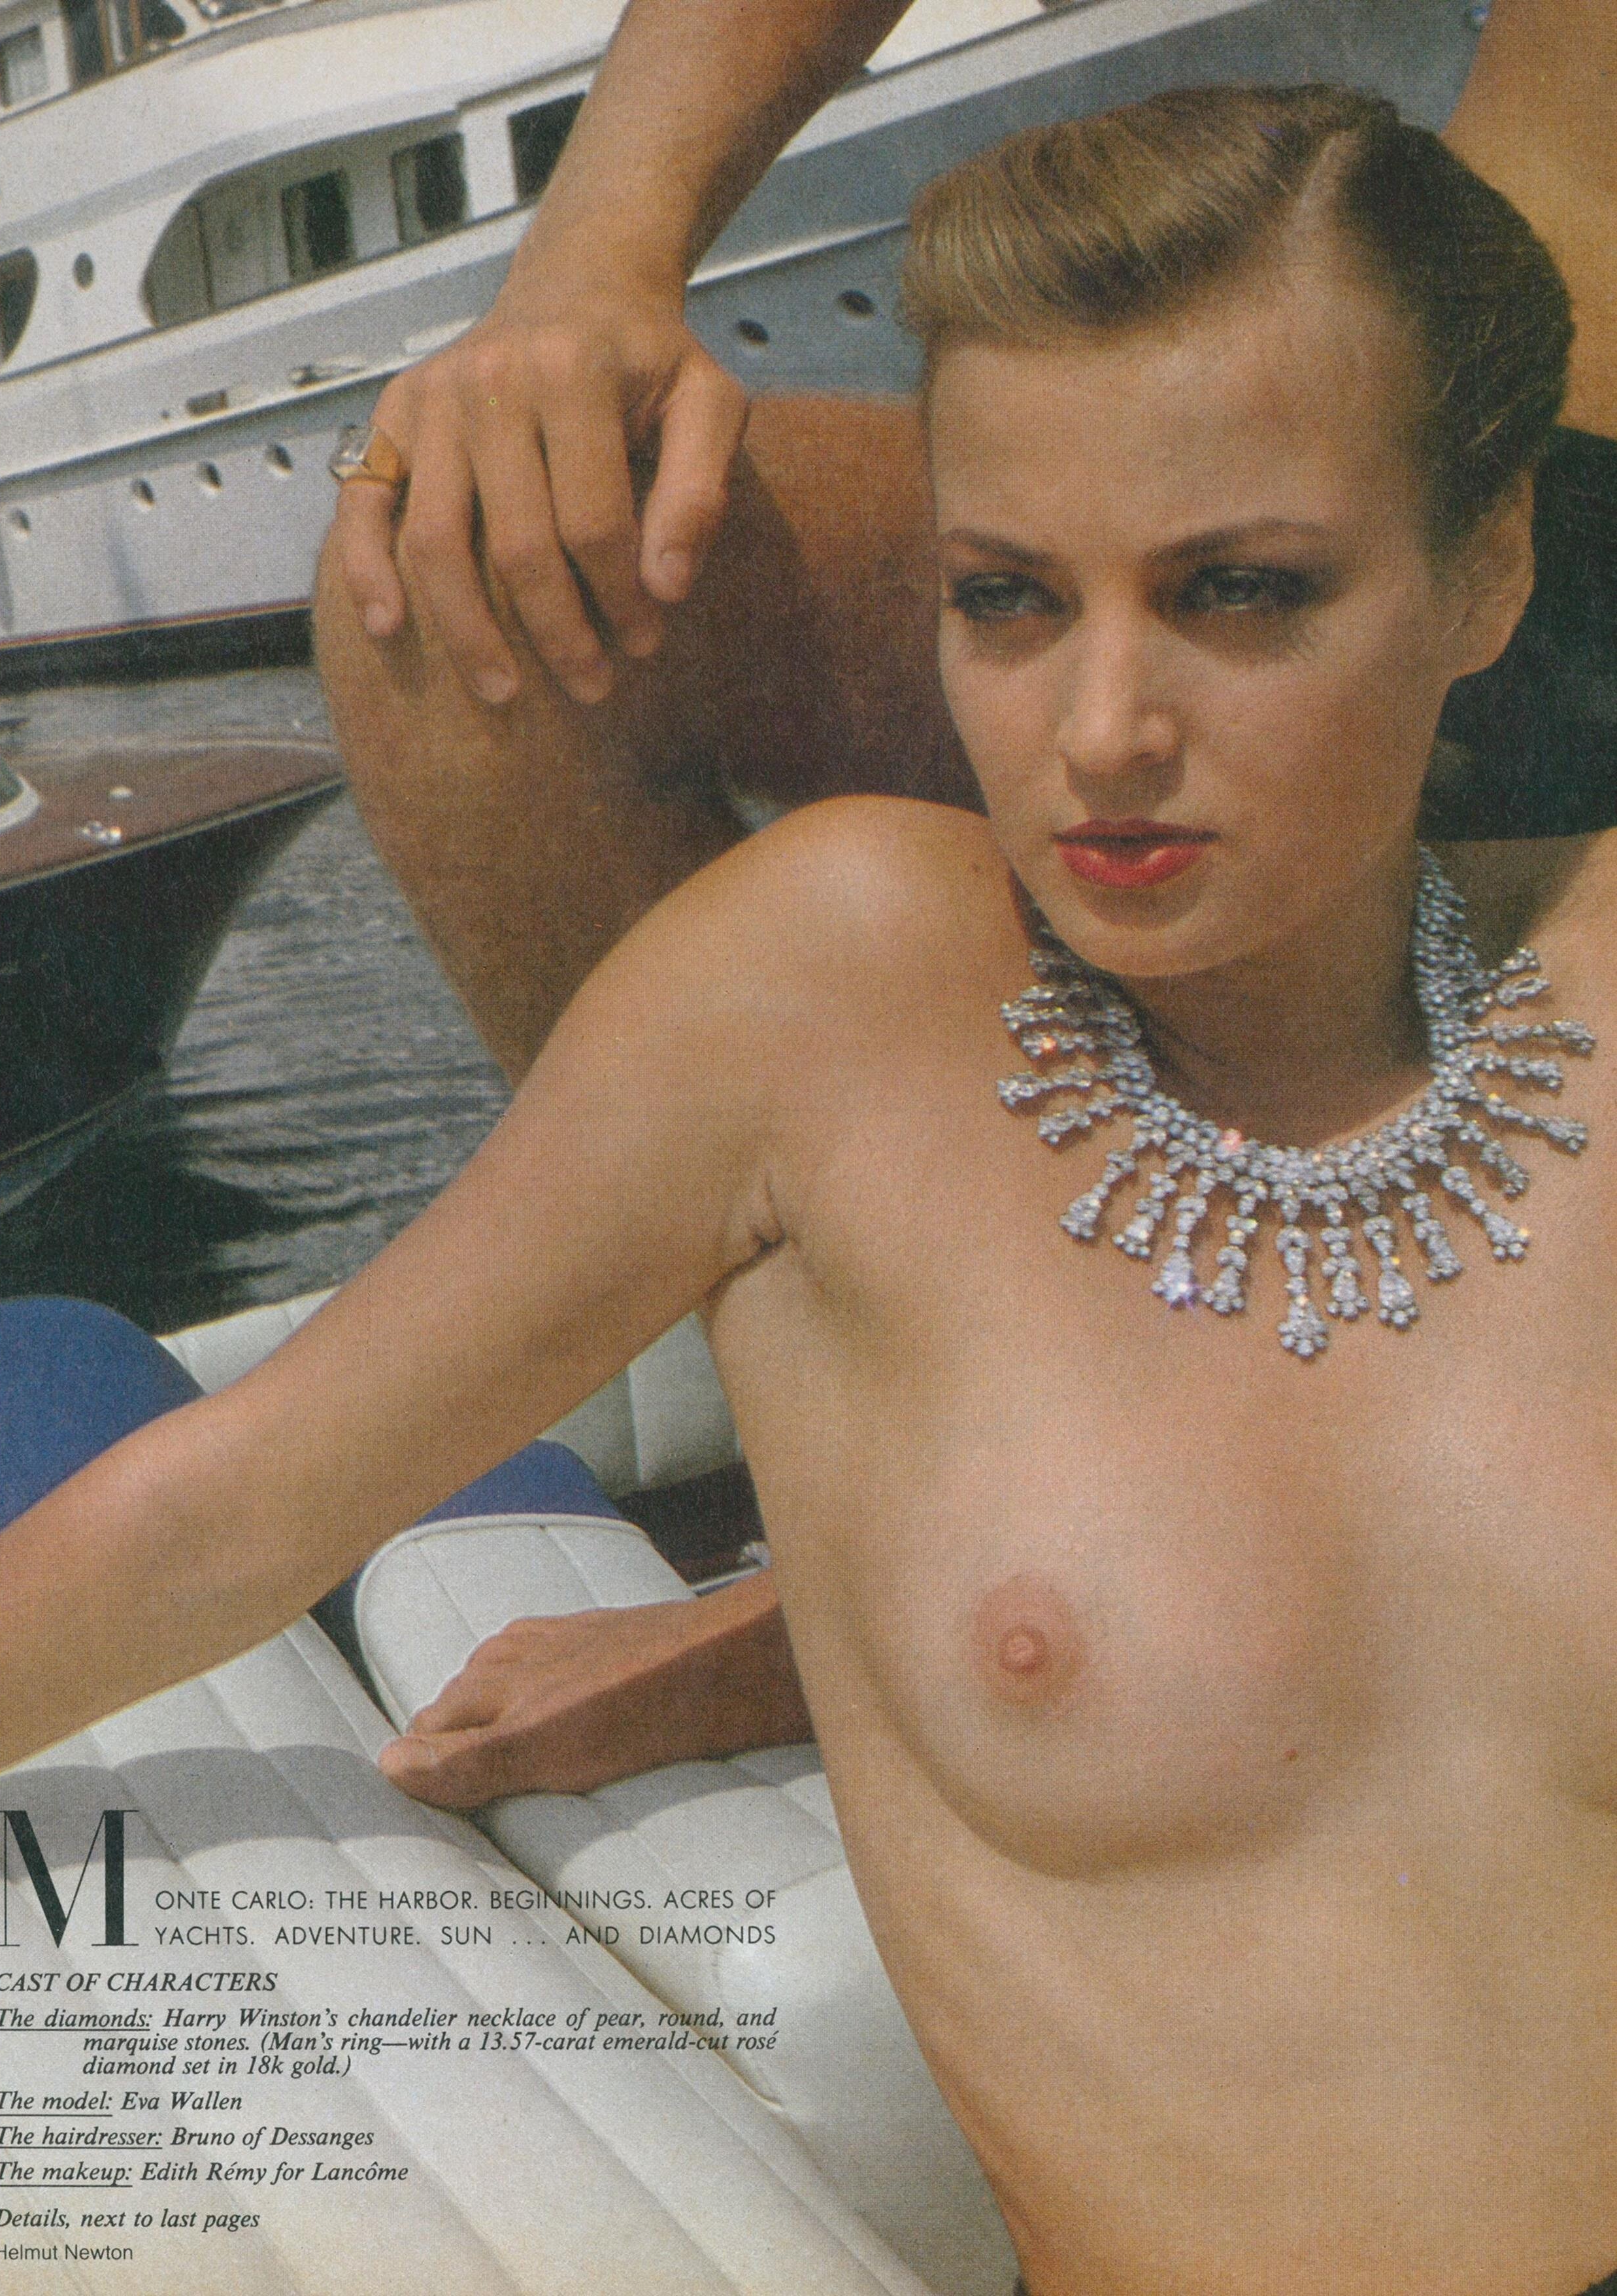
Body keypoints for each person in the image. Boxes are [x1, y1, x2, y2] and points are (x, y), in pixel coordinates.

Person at [0, 85, 1616, 2293]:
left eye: (1243, 593)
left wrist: (770, 1644)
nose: (1105, 726)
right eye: (1007, 599)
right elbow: (228, 1517)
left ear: (1488, 574)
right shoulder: (830, 994)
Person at [313, 0, 1617, 1806]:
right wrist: (592, 263)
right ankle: (894, 1508)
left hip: (1440, 538)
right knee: (487, 565)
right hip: (1513, 456)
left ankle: (969, 1592)